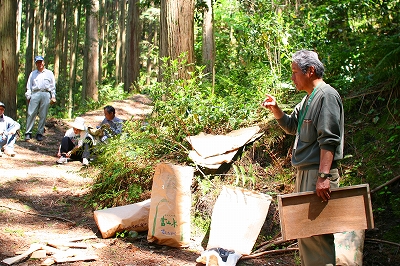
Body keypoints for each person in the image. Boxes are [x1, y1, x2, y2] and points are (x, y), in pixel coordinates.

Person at [262, 50, 344, 266]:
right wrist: (277, 110)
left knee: (318, 234)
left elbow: (329, 139)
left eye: (294, 72)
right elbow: (291, 126)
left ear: (310, 71)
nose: (292, 78)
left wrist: (324, 176)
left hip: (318, 173)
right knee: (305, 233)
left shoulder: (326, 96)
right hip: (305, 174)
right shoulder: (307, 99)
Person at [25, 55, 56, 141]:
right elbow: (29, 86)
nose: (40, 64)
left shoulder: (49, 73)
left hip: (46, 94)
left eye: (41, 62)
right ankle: (28, 132)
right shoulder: (33, 74)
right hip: (35, 93)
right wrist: (28, 96)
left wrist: (53, 96)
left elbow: (53, 86)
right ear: (36, 64)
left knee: (43, 114)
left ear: (44, 62)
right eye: (38, 62)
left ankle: (39, 133)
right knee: (31, 113)